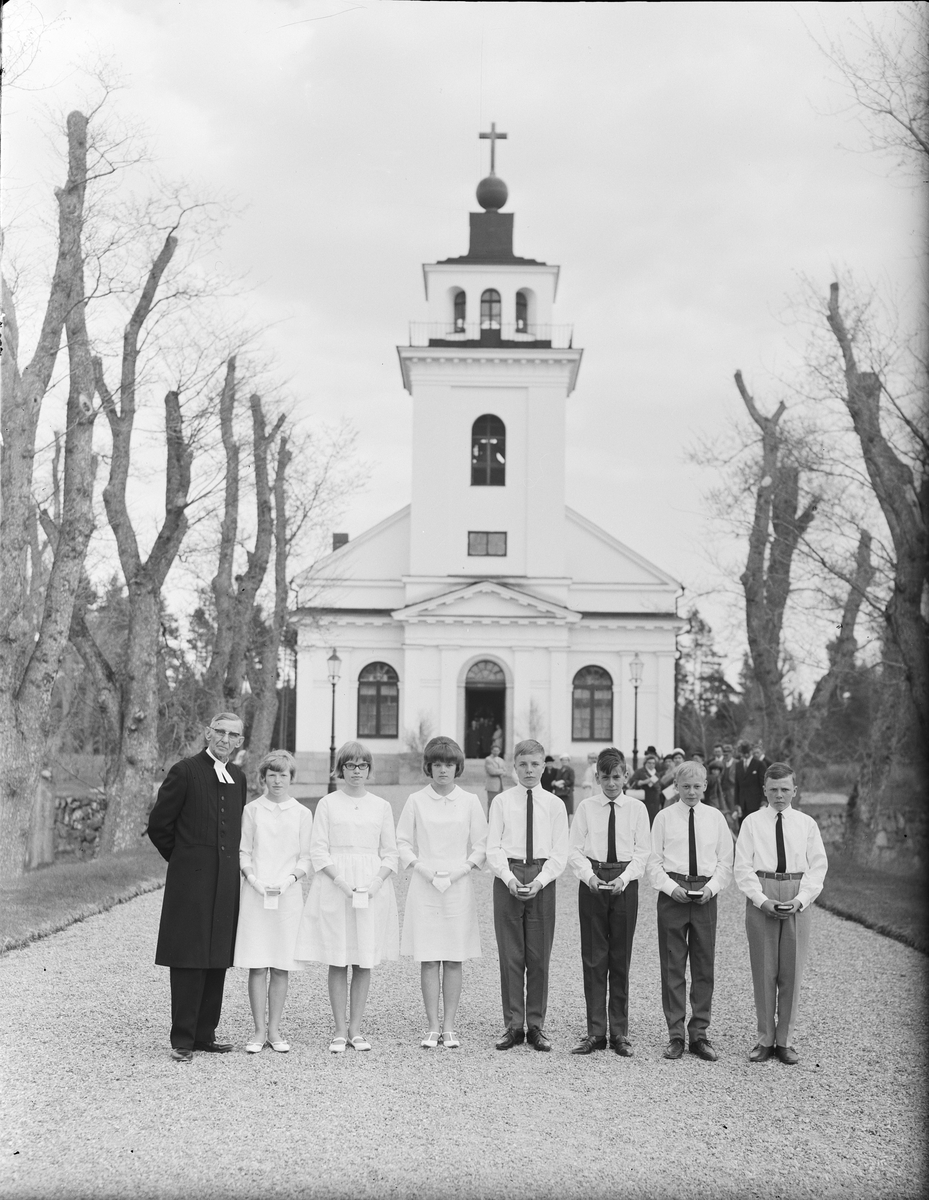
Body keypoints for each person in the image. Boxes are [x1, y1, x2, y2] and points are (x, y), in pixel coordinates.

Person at [148, 712, 248, 1063]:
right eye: (219, 731)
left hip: (225, 880)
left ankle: (206, 1034)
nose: (224, 738)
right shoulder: (185, 770)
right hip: (191, 880)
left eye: (232, 734)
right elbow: (160, 825)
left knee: (217, 956)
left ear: (239, 741)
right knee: (190, 957)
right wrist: (183, 861)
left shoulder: (238, 776)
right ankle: (183, 1039)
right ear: (208, 733)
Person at [294, 741, 399, 1053]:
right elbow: (318, 851)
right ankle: (339, 1029)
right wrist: (343, 883)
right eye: (350, 765)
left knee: (364, 959)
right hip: (336, 887)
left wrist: (374, 884)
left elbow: (391, 854)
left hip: (371, 889)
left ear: (369, 770)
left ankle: (356, 1029)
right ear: (340, 770)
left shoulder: (381, 806)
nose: (356, 771)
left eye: (362, 765)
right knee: (338, 959)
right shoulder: (328, 804)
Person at [734, 762, 828, 1066]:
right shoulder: (751, 823)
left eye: (785, 789)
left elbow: (818, 867)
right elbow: (742, 867)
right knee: (764, 971)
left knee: (791, 971)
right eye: (773, 789)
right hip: (763, 893)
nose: (779, 795)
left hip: (795, 892)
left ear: (795, 791)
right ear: (764, 790)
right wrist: (761, 900)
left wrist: (801, 900)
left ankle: (785, 1041)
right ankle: (765, 1039)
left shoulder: (806, 824)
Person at [397, 736, 487, 1049]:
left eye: (448, 764)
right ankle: (432, 1026)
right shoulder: (416, 800)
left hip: (457, 886)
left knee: (453, 957)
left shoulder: (470, 801)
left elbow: (481, 846)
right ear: (429, 767)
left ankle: (449, 1025)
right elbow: (402, 843)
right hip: (425, 884)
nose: (443, 770)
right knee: (429, 957)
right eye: (437, 764)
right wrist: (424, 870)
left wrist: (460, 871)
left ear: (457, 767)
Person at [486, 739, 569, 1051]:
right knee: (511, 955)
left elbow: (561, 851)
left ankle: (536, 1025)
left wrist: (542, 880)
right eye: (523, 764)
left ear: (544, 766)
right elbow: (492, 846)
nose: (529, 770)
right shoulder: (502, 802)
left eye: (535, 764)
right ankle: (513, 1025)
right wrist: (507, 877)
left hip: (542, 877)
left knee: (538, 955)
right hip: (509, 873)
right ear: (514, 767)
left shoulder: (555, 805)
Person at [647, 761, 733, 1062]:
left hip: (705, 894)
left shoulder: (715, 818)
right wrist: (671, 888)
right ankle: (675, 1034)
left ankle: (699, 1033)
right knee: (673, 965)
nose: (692, 791)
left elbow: (725, 862)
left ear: (705, 786)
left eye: (697, 786)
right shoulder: (664, 818)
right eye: (685, 787)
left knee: (703, 964)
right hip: (674, 893)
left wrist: (712, 888)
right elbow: (653, 862)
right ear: (677, 788)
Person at [568, 747, 650, 1057]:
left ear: (626, 776)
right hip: (593, 880)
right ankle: (595, 1031)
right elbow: (574, 849)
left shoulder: (637, 809)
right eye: (605, 777)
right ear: (597, 777)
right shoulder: (587, 808)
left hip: (623, 881)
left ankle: (620, 1032)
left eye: (616, 777)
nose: (611, 784)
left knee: (619, 957)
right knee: (593, 957)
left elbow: (643, 852)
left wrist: (624, 878)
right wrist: (589, 876)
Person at [233, 750, 313, 1053]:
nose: (277, 780)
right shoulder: (252, 810)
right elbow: (244, 851)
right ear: (263, 777)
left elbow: (307, 857)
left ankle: (275, 1030)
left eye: (283, 775)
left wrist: (289, 880)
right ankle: (257, 1030)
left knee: (280, 965)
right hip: (256, 893)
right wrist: (253, 879)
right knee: (257, 964)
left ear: (291, 778)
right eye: (272, 774)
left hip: (287, 896)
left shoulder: (302, 813)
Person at [734, 740, 768, 825]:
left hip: (756, 804)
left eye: (747, 752)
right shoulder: (738, 765)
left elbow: (763, 784)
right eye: (744, 752)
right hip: (742, 805)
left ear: (751, 751)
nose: (746, 754)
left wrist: (764, 802)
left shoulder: (759, 764)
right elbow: (737, 786)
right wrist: (737, 804)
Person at [626, 753, 664, 827]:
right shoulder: (640, 772)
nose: (651, 765)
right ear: (645, 763)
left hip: (655, 799)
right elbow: (631, 782)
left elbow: (659, 785)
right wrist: (643, 782)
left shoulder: (656, 773)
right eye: (649, 763)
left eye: (653, 763)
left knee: (654, 819)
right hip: (643, 798)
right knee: (643, 818)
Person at [484, 743, 507, 818]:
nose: (496, 752)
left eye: (497, 751)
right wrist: (501, 771)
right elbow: (491, 771)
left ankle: (498, 818)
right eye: (494, 750)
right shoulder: (488, 759)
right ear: (491, 751)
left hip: (500, 785)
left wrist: (500, 771)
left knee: (499, 803)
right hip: (492, 785)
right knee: (491, 802)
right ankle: (490, 818)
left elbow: (505, 771)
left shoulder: (501, 760)